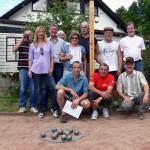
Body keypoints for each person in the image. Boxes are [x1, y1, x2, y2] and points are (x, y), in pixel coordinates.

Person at [28, 26, 54, 118]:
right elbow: (30, 59)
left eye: (42, 32)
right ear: (36, 33)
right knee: (38, 90)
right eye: (39, 32)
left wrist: (51, 68)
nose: (41, 34)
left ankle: (52, 108)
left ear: (44, 33)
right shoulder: (32, 45)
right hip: (36, 70)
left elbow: (52, 57)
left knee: (52, 88)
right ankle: (40, 109)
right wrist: (29, 70)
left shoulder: (49, 44)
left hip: (47, 71)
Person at [95, 27, 122, 111]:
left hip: (114, 68)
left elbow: (120, 56)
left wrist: (120, 68)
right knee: (102, 86)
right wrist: (102, 64)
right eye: (107, 32)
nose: (108, 34)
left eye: (110, 32)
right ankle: (103, 104)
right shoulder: (99, 43)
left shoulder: (116, 44)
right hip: (104, 69)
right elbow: (95, 56)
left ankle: (115, 104)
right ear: (104, 34)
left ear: (112, 34)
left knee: (115, 86)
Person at [12, 30, 38, 113]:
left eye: (29, 35)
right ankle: (22, 106)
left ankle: (32, 106)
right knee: (23, 89)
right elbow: (14, 50)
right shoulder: (21, 43)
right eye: (26, 34)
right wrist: (22, 39)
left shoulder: (34, 44)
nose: (27, 36)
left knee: (33, 89)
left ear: (32, 35)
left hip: (33, 70)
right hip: (23, 69)